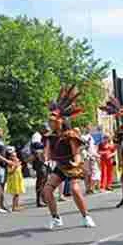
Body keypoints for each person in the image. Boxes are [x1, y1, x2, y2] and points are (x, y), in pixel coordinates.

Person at [42, 86, 96, 229]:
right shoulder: (49, 136)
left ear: (60, 120)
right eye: (50, 120)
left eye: (53, 120)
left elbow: (76, 153)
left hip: (72, 166)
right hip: (60, 166)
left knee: (75, 190)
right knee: (47, 191)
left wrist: (77, 162)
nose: (50, 122)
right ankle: (56, 218)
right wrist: (45, 159)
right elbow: (47, 152)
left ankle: (86, 216)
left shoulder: (71, 135)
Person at [81, 128, 100, 195]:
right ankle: (88, 188)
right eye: (87, 128)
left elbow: (92, 147)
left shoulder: (90, 137)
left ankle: (90, 188)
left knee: (92, 173)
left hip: (91, 156)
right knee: (88, 173)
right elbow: (85, 147)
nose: (88, 129)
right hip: (86, 157)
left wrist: (95, 154)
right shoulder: (82, 137)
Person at [5, 147, 25, 212]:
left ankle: (16, 205)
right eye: (13, 156)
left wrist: (18, 165)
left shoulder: (17, 162)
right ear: (10, 157)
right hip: (14, 180)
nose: (15, 157)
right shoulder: (10, 163)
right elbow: (9, 172)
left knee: (18, 193)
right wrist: (15, 167)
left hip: (18, 179)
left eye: (16, 156)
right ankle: (14, 207)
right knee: (15, 194)